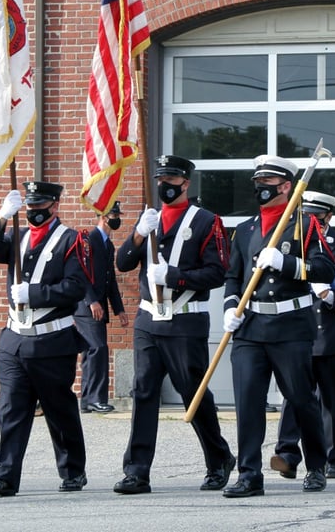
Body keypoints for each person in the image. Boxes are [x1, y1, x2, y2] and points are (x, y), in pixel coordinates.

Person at [112, 155, 235, 495]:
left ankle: (218, 458)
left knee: (193, 392)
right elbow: (122, 263)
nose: (165, 185)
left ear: (186, 183)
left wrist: (174, 276)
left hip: (185, 319)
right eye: (161, 180)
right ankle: (137, 471)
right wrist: (139, 235)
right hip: (148, 319)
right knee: (143, 392)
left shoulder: (207, 221)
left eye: (171, 180)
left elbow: (217, 273)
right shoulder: (149, 218)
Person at [221, 155, 335, 498]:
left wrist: (287, 263)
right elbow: (233, 277)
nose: (261, 187)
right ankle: (249, 474)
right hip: (251, 327)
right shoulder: (245, 229)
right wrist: (230, 307)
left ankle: (316, 466)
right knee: (247, 402)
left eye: (267, 182)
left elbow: (325, 270)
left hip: (290, 327)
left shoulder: (304, 224)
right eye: (257, 182)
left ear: (286, 186)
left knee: (301, 400)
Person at [0, 180, 91, 496]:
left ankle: (73, 471)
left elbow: (76, 287)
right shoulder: (17, 235)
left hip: (51, 340)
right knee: (11, 410)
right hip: (15, 339)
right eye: (29, 206)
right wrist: (2, 217)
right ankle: (5, 476)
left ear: (55, 205)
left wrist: (35, 293)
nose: (33, 211)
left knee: (58, 410)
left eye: (40, 205)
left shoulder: (71, 239)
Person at [272, 190, 335, 480]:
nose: (311, 222)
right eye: (306, 216)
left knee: (331, 401)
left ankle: (334, 458)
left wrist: (330, 295)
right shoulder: (290, 245)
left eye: (317, 217)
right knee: (293, 396)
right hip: (297, 333)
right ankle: (287, 455)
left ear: (328, 217)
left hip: (333, 335)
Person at [76, 200, 128, 414]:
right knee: (98, 348)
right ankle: (97, 399)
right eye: (115, 216)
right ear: (104, 217)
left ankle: (87, 400)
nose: (117, 220)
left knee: (92, 351)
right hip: (86, 307)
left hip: (98, 306)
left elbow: (110, 280)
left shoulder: (108, 244)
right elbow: (80, 272)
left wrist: (119, 309)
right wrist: (91, 301)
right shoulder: (89, 240)